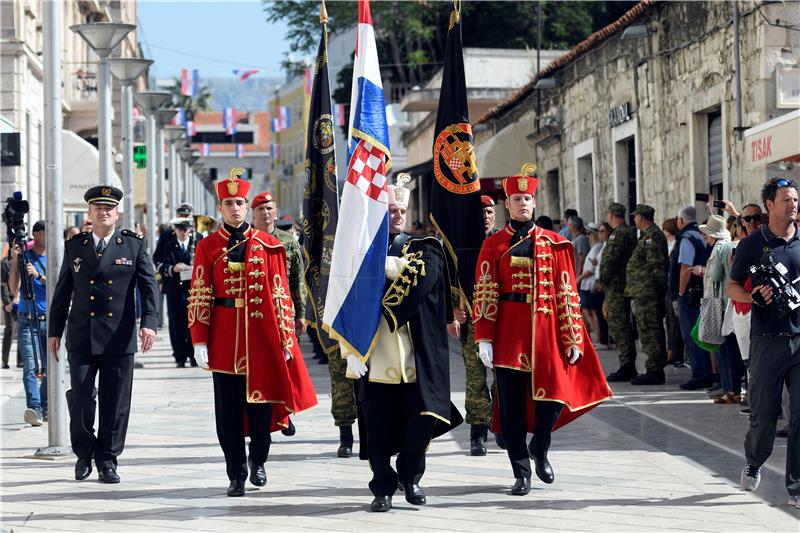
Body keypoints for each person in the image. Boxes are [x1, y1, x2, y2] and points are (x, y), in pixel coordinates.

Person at [473, 165, 612, 496]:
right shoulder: (493, 244)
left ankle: (541, 446)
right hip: (508, 330)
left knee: (553, 398)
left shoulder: (556, 244)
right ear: (508, 203)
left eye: (528, 198)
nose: (523, 203)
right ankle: (521, 471)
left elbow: (567, 293)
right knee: (511, 406)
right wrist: (484, 338)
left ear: (534, 202)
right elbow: (484, 291)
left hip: (546, 331)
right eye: (518, 198)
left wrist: (573, 336)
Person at [188, 168, 317, 497]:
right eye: (229, 203)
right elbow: (200, 291)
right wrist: (199, 339)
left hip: (261, 336)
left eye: (240, 203)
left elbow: (281, 295)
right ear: (220, 207)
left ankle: (258, 460)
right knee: (227, 412)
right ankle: (235, 472)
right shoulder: (207, 246)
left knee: (261, 408)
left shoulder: (270, 244)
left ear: (248, 208)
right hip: (224, 337)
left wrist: (287, 338)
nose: (235, 208)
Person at [344, 176, 463, 512]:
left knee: (420, 422)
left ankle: (411, 477)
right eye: (391, 210)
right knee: (376, 425)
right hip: (374, 355)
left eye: (401, 210)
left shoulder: (425, 247)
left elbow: (423, 276)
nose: (397, 215)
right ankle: (382, 486)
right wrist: (348, 350)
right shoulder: (360, 250)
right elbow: (346, 303)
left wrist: (375, 266)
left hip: (416, 358)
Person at [48, 186, 159, 483]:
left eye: (109, 207)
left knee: (116, 401)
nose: (103, 212)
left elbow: (150, 288)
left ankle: (108, 458)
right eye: (97, 207)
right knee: (81, 397)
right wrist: (54, 331)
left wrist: (149, 321)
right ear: (89, 213)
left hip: (118, 337)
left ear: (118, 212)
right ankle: (84, 453)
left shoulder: (133, 245)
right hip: (82, 335)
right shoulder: (76, 246)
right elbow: (62, 292)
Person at [729, 177, 800, 508]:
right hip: (767, 341)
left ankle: (796, 486)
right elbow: (731, 287)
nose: (793, 205)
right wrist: (754, 297)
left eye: (796, 200)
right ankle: (754, 461)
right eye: (786, 200)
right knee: (765, 415)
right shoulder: (751, 244)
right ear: (770, 205)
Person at [251, 191, 308, 437]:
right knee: (263, 368)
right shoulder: (248, 240)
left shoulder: (287, 241)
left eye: (269, 208)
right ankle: (268, 415)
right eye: (261, 209)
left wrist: (301, 313)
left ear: (276, 212)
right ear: (253, 214)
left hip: (282, 313)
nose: (266, 213)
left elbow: (297, 279)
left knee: (286, 365)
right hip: (256, 316)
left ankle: (285, 413)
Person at [696, 214, 743, 403]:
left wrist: (703, 270)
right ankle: (730, 388)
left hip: (721, 304)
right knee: (727, 348)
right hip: (728, 302)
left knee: (725, 349)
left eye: (707, 234)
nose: (705, 238)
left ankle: (732, 389)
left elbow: (715, 275)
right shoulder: (729, 246)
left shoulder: (720, 248)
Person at [8, 220, 48, 426]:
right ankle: (34, 408)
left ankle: (47, 405)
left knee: (51, 367)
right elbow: (13, 288)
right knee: (30, 367)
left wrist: (38, 275)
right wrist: (15, 261)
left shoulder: (56, 256)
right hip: (27, 320)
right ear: (37, 234)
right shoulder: (25, 258)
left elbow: (59, 285)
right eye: (45, 232)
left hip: (50, 320)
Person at [626, 205, 669, 385]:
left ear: (642, 217)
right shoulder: (646, 236)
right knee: (646, 331)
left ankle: (655, 369)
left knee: (651, 331)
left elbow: (657, 266)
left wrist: (657, 292)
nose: (634, 219)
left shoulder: (653, 236)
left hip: (649, 293)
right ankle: (652, 367)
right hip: (643, 293)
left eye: (635, 216)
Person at [671, 206, 712, 390]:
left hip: (689, 296)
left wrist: (679, 293)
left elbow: (685, 268)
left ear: (681, 220)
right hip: (699, 292)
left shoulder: (686, 238)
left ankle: (701, 374)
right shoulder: (698, 234)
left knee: (691, 335)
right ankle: (705, 373)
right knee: (699, 333)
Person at [599, 203, 638, 381]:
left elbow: (611, 261)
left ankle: (627, 365)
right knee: (621, 325)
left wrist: (603, 280)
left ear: (612, 215)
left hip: (616, 286)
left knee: (619, 325)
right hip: (622, 284)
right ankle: (627, 364)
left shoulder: (619, 234)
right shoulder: (629, 232)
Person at [158, 217, 200, 368]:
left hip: (194, 289)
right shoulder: (169, 245)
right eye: (180, 229)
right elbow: (160, 264)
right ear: (174, 230)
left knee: (193, 322)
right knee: (176, 324)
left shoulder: (197, 243)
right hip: (175, 288)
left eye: (186, 229)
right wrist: (172, 268)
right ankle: (180, 356)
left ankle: (194, 355)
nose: (184, 232)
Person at [577, 222, 603, 342]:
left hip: (589, 283)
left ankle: (598, 337)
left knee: (590, 311)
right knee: (587, 311)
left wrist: (580, 277)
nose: (587, 236)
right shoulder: (594, 247)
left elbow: (592, 269)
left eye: (589, 233)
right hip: (586, 283)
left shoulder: (598, 247)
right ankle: (595, 337)